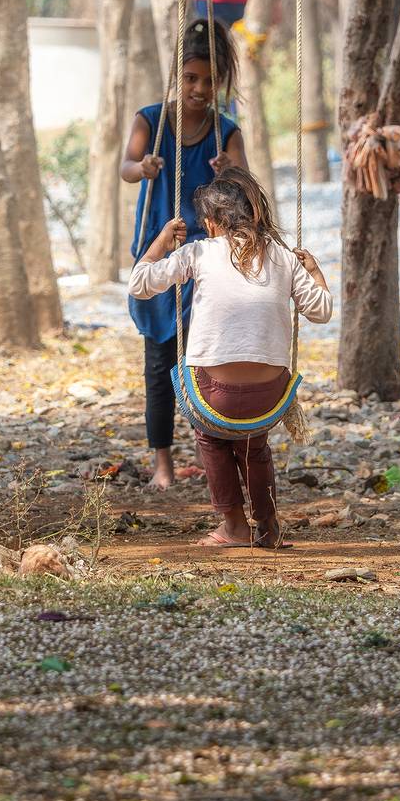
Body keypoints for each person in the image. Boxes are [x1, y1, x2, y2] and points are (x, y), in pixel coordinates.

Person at [127, 168, 332, 548]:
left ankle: (235, 527)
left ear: (211, 222)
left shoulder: (199, 251)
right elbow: (321, 311)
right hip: (269, 397)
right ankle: (268, 525)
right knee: (254, 444)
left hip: (213, 396)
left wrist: (160, 243)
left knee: (211, 437)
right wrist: (315, 271)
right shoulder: (285, 258)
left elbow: (139, 285)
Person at [121, 18, 248, 489]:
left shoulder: (225, 132)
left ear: (222, 83)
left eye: (210, 81)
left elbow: (244, 188)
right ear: (177, 75)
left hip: (208, 264)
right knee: (159, 364)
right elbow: (125, 167)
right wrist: (144, 167)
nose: (199, 89)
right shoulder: (151, 121)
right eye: (191, 78)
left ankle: (209, 452)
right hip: (159, 256)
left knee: (204, 361)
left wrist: (230, 171)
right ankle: (162, 464)